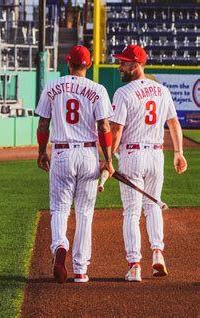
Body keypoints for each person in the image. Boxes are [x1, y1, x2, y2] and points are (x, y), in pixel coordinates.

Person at [35, 45, 114, 284]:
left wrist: (41, 151)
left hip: (61, 152)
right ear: (88, 65)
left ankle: (60, 245)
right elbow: (103, 127)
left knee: (59, 208)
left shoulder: (52, 86)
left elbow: (43, 124)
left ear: (68, 63)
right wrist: (108, 159)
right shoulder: (98, 89)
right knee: (85, 213)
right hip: (88, 153)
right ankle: (80, 269)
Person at [110, 44, 188, 282]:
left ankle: (134, 266)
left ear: (136, 65)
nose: (119, 66)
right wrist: (179, 152)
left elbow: (116, 131)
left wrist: (106, 159)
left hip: (132, 155)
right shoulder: (162, 91)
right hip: (156, 155)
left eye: (123, 62)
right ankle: (157, 253)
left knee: (132, 213)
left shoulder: (123, 93)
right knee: (153, 206)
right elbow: (173, 124)